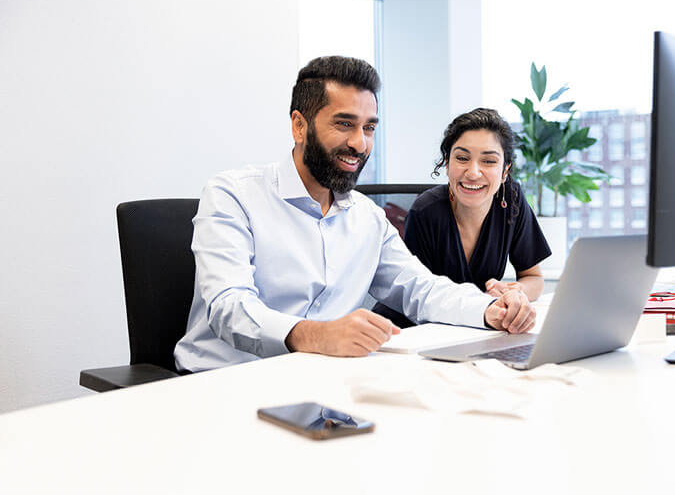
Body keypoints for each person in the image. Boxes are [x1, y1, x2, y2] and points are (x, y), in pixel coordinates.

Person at [174, 57, 536, 373]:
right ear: (299, 125)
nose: (360, 143)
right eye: (344, 124)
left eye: (369, 128)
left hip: (321, 381)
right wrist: (317, 335)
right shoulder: (233, 195)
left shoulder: (367, 217)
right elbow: (229, 307)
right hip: (224, 381)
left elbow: (420, 289)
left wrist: (490, 310)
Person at [375, 108, 550, 326]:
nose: (473, 173)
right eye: (462, 158)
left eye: (488, 161)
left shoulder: (511, 200)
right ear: (447, 163)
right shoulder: (425, 211)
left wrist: (514, 291)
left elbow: (534, 278)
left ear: (505, 171)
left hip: (479, 325)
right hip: (410, 329)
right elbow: (417, 297)